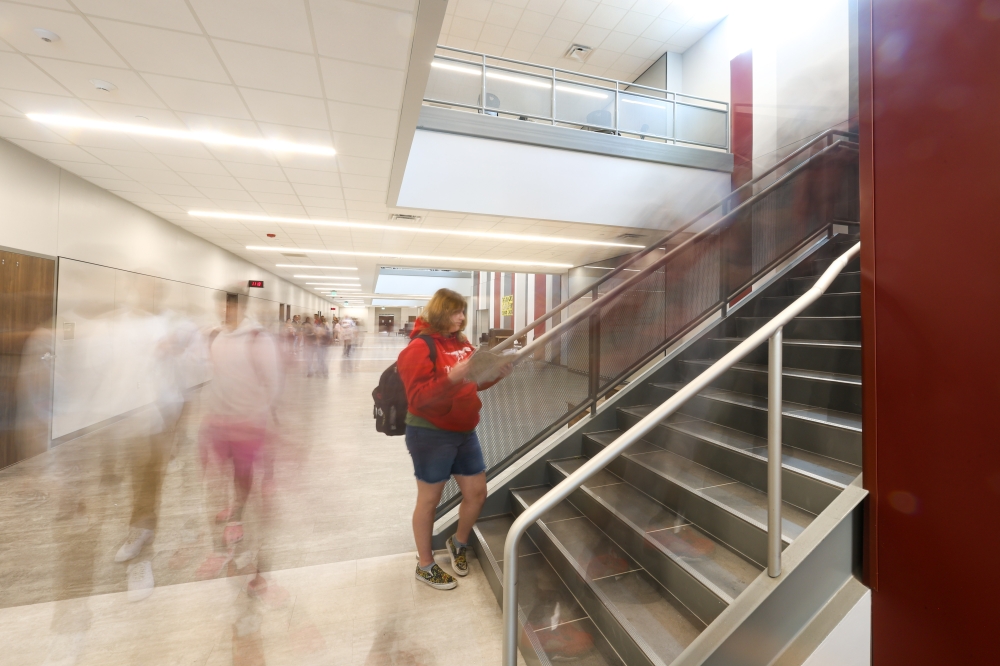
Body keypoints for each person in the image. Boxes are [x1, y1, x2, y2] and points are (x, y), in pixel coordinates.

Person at [397, 288, 512, 590]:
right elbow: (418, 399)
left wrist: (498, 372)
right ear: (439, 313)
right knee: (430, 499)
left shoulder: (461, 343)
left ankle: (459, 542)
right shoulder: (418, 348)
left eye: (462, 311)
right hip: (430, 433)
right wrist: (452, 376)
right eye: (455, 312)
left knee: (477, 492)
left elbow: (472, 384)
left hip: (464, 430)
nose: (462, 318)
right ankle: (425, 565)